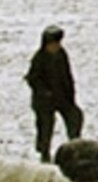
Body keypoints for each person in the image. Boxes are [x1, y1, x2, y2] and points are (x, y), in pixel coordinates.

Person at [26, 25, 81, 161]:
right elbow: (32, 78)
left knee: (75, 117)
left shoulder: (61, 54)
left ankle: (74, 146)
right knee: (46, 127)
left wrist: (70, 95)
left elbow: (67, 75)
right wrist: (44, 92)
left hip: (62, 97)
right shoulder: (39, 58)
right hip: (45, 101)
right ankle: (44, 153)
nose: (55, 46)